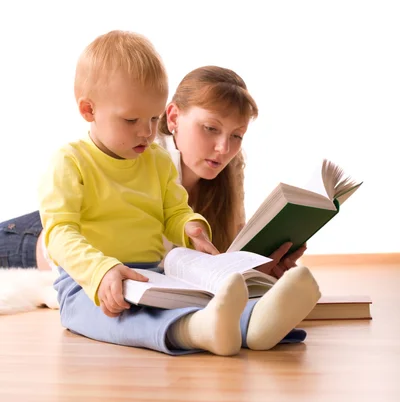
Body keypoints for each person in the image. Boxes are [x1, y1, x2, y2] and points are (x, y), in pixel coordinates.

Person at [1, 32, 320, 355]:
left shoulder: (157, 162)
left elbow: (174, 212)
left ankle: (253, 322)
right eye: (131, 120)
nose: (147, 131)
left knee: (176, 300)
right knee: (125, 319)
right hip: (86, 281)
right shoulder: (69, 162)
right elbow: (59, 234)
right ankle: (195, 331)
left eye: (153, 119)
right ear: (88, 110)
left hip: (149, 274)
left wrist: (190, 227)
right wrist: (101, 271)